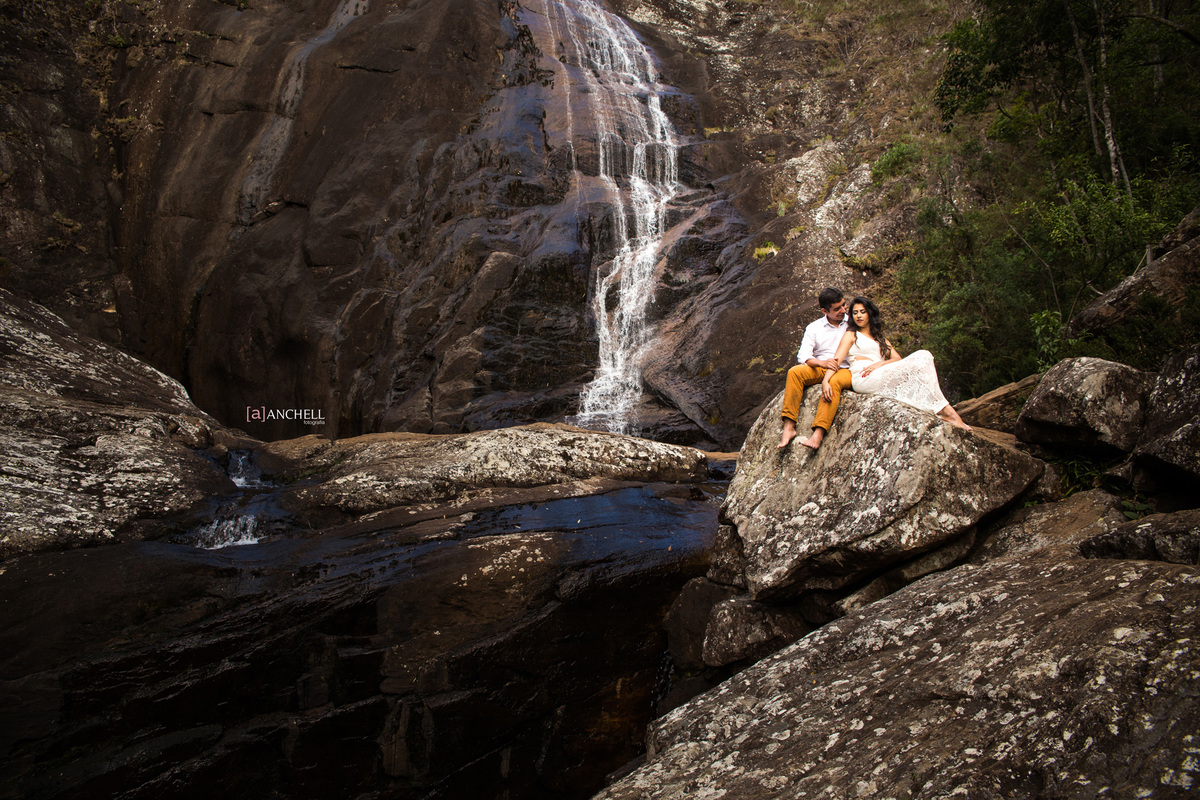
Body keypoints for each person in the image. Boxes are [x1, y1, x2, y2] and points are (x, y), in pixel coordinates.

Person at [823, 296, 971, 430]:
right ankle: (948, 412)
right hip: (864, 377)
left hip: (880, 371)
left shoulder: (880, 339)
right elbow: (836, 360)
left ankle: (943, 410)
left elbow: (897, 359)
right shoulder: (851, 335)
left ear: (870, 313)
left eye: (862, 311)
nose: (859, 316)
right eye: (855, 313)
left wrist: (879, 364)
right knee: (921, 358)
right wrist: (825, 381)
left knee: (924, 356)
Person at [778, 287, 855, 450]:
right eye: (837, 309)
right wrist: (823, 363)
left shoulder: (852, 323)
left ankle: (818, 433)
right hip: (821, 366)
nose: (843, 310)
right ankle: (789, 427)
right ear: (824, 311)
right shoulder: (814, 327)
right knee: (795, 372)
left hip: (844, 369)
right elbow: (803, 356)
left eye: (843, 305)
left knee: (833, 383)